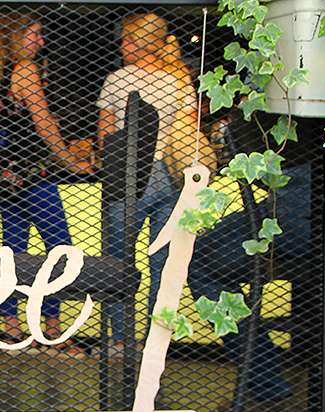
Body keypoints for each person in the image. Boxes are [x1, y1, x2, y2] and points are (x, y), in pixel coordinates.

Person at [0, 14, 88, 355]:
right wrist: (70, 161)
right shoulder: (25, 70)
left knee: (13, 253)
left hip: (6, 178)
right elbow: (44, 124)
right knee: (60, 251)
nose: (41, 41)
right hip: (34, 174)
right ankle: (51, 332)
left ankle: (12, 330)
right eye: (35, 34)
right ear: (17, 36)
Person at [96, 12, 205, 359]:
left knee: (118, 261)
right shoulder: (178, 81)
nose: (120, 45)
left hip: (126, 175)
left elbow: (106, 135)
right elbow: (190, 130)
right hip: (168, 177)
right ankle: (155, 342)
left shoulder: (118, 79)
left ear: (133, 41)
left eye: (124, 39)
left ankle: (120, 341)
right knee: (163, 263)